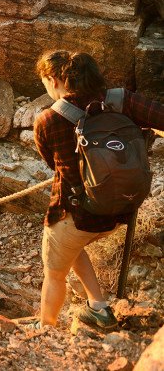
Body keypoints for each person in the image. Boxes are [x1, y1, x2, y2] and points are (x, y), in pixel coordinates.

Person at [33, 50, 164, 329]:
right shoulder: (123, 101)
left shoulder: (47, 120)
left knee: (54, 272)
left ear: (55, 79)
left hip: (77, 216)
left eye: (45, 81)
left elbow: (51, 164)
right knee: (73, 248)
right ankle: (99, 307)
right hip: (123, 210)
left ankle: (45, 329)